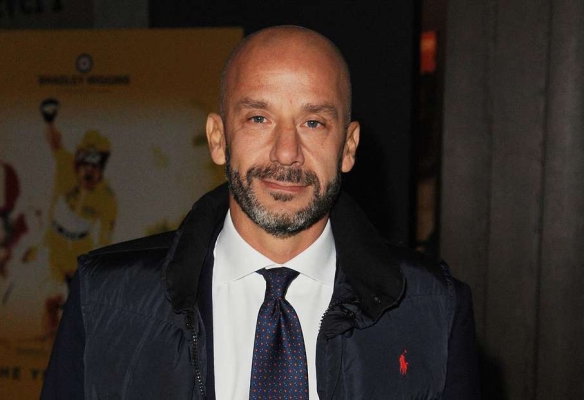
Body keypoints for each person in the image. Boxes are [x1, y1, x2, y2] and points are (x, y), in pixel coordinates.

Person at [41, 25, 479, 399]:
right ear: (218, 138)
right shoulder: (105, 299)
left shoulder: (433, 309)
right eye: (258, 119)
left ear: (348, 147)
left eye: (313, 123)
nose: (286, 152)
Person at [40, 100, 117, 285]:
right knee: (46, 290)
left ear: (101, 169)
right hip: (53, 242)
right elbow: (55, 142)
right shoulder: (66, 166)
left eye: (95, 166)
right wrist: (49, 121)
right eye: (84, 165)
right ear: (77, 164)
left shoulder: (107, 198)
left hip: (80, 249)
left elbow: (106, 238)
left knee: (78, 295)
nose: (89, 171)